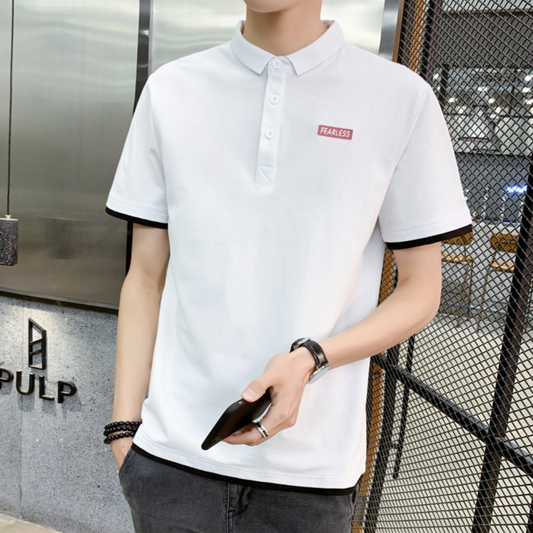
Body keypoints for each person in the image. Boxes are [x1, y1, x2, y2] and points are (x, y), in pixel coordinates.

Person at [103, 0, 473, 531]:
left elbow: (420, 289)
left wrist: (311, 359)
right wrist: (123, 429)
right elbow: (144, 277)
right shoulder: (170, 90)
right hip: (169, 462)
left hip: (311, 476)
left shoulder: (400, 98)